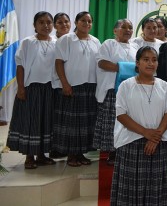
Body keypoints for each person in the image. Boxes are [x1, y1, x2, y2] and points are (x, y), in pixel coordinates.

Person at [110, 46, 167, 205]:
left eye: (154, 60)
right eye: (146, 60)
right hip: (131, 142)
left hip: (158, 143)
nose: (150, 63)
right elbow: (121, 114)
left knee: (156, 190)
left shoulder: (164, 85)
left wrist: (154, 138)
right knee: (132, 189)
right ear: (137, 63)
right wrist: (145, 132)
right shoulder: (126, 85)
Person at [7, 11, 57, 169]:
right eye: (41, 22)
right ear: (34, 25)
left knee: (45, 121)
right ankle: (29, 156)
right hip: (31, 87)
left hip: (50, 88)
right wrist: (21, 87)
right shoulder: (27, 42)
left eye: (49, 22)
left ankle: (42, 155)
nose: (46, 25)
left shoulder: (57, 43)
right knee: (31, 121)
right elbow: (20, 66)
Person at [54, 11, 101, 167]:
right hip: (73, 86)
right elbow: (59, 62)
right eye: (83, 20)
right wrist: (65, 84)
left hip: (91, 86)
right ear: (76, 22)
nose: (86, 23)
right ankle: (71, 155)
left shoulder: (95, 41)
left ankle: (81, 153)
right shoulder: (67, 39)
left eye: (89, 21)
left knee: (86, 122)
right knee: (72, 123)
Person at [94, 19, 138, 165]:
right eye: (123, 27)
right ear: (115, 30)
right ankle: (112, 152)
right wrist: (128, 68)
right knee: (113, 121)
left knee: (130, 121)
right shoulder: (109, 44)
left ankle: (125, 150)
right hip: (113, 90)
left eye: (130, 27)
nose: (127, 30)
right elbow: (102, 63)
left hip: (132, 91)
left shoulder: (136, 46)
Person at [50, 12, 72, 159]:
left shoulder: (73, 40)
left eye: (66, 22)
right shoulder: (50, 41)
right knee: (54, 118)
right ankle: (54, 148)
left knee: (66, 118)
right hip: (52, 84)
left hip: (66, 85)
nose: (64, 25)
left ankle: (65, 147)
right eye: (59, 22)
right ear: (54, 25)